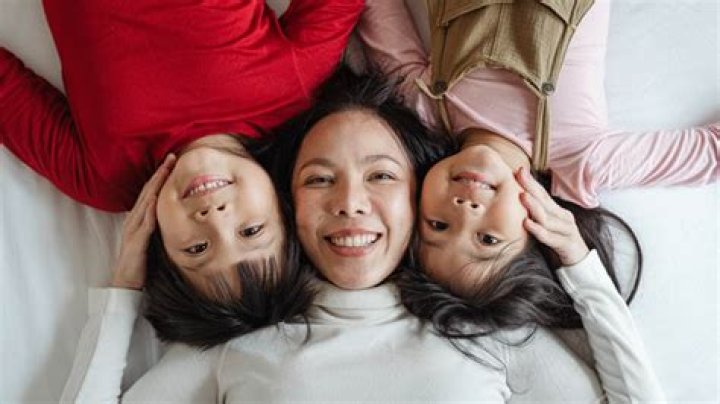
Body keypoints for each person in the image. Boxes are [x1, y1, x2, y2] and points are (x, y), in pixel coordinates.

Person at [63, 66, 662, 402]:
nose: (350, 203)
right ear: (286, 208)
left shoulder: (483, 334)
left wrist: (578, 264)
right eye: (319, 179)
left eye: (381, 176)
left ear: (420, 196)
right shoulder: (240, 343)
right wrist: (123, 288)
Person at [358, 0, 717, 351]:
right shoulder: (580, 160)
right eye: (488, 239)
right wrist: (573, 255)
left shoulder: (422, 107)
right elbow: (710, 153)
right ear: (536, 233)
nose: (464, 210)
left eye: (438, 225)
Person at [0, 0, 365, 339]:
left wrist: (125, 281)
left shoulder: (105, 179)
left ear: (161, 247)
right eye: (251, 230)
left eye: (197, 248)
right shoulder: (294, 91)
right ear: (284, 207)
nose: (215, 216)